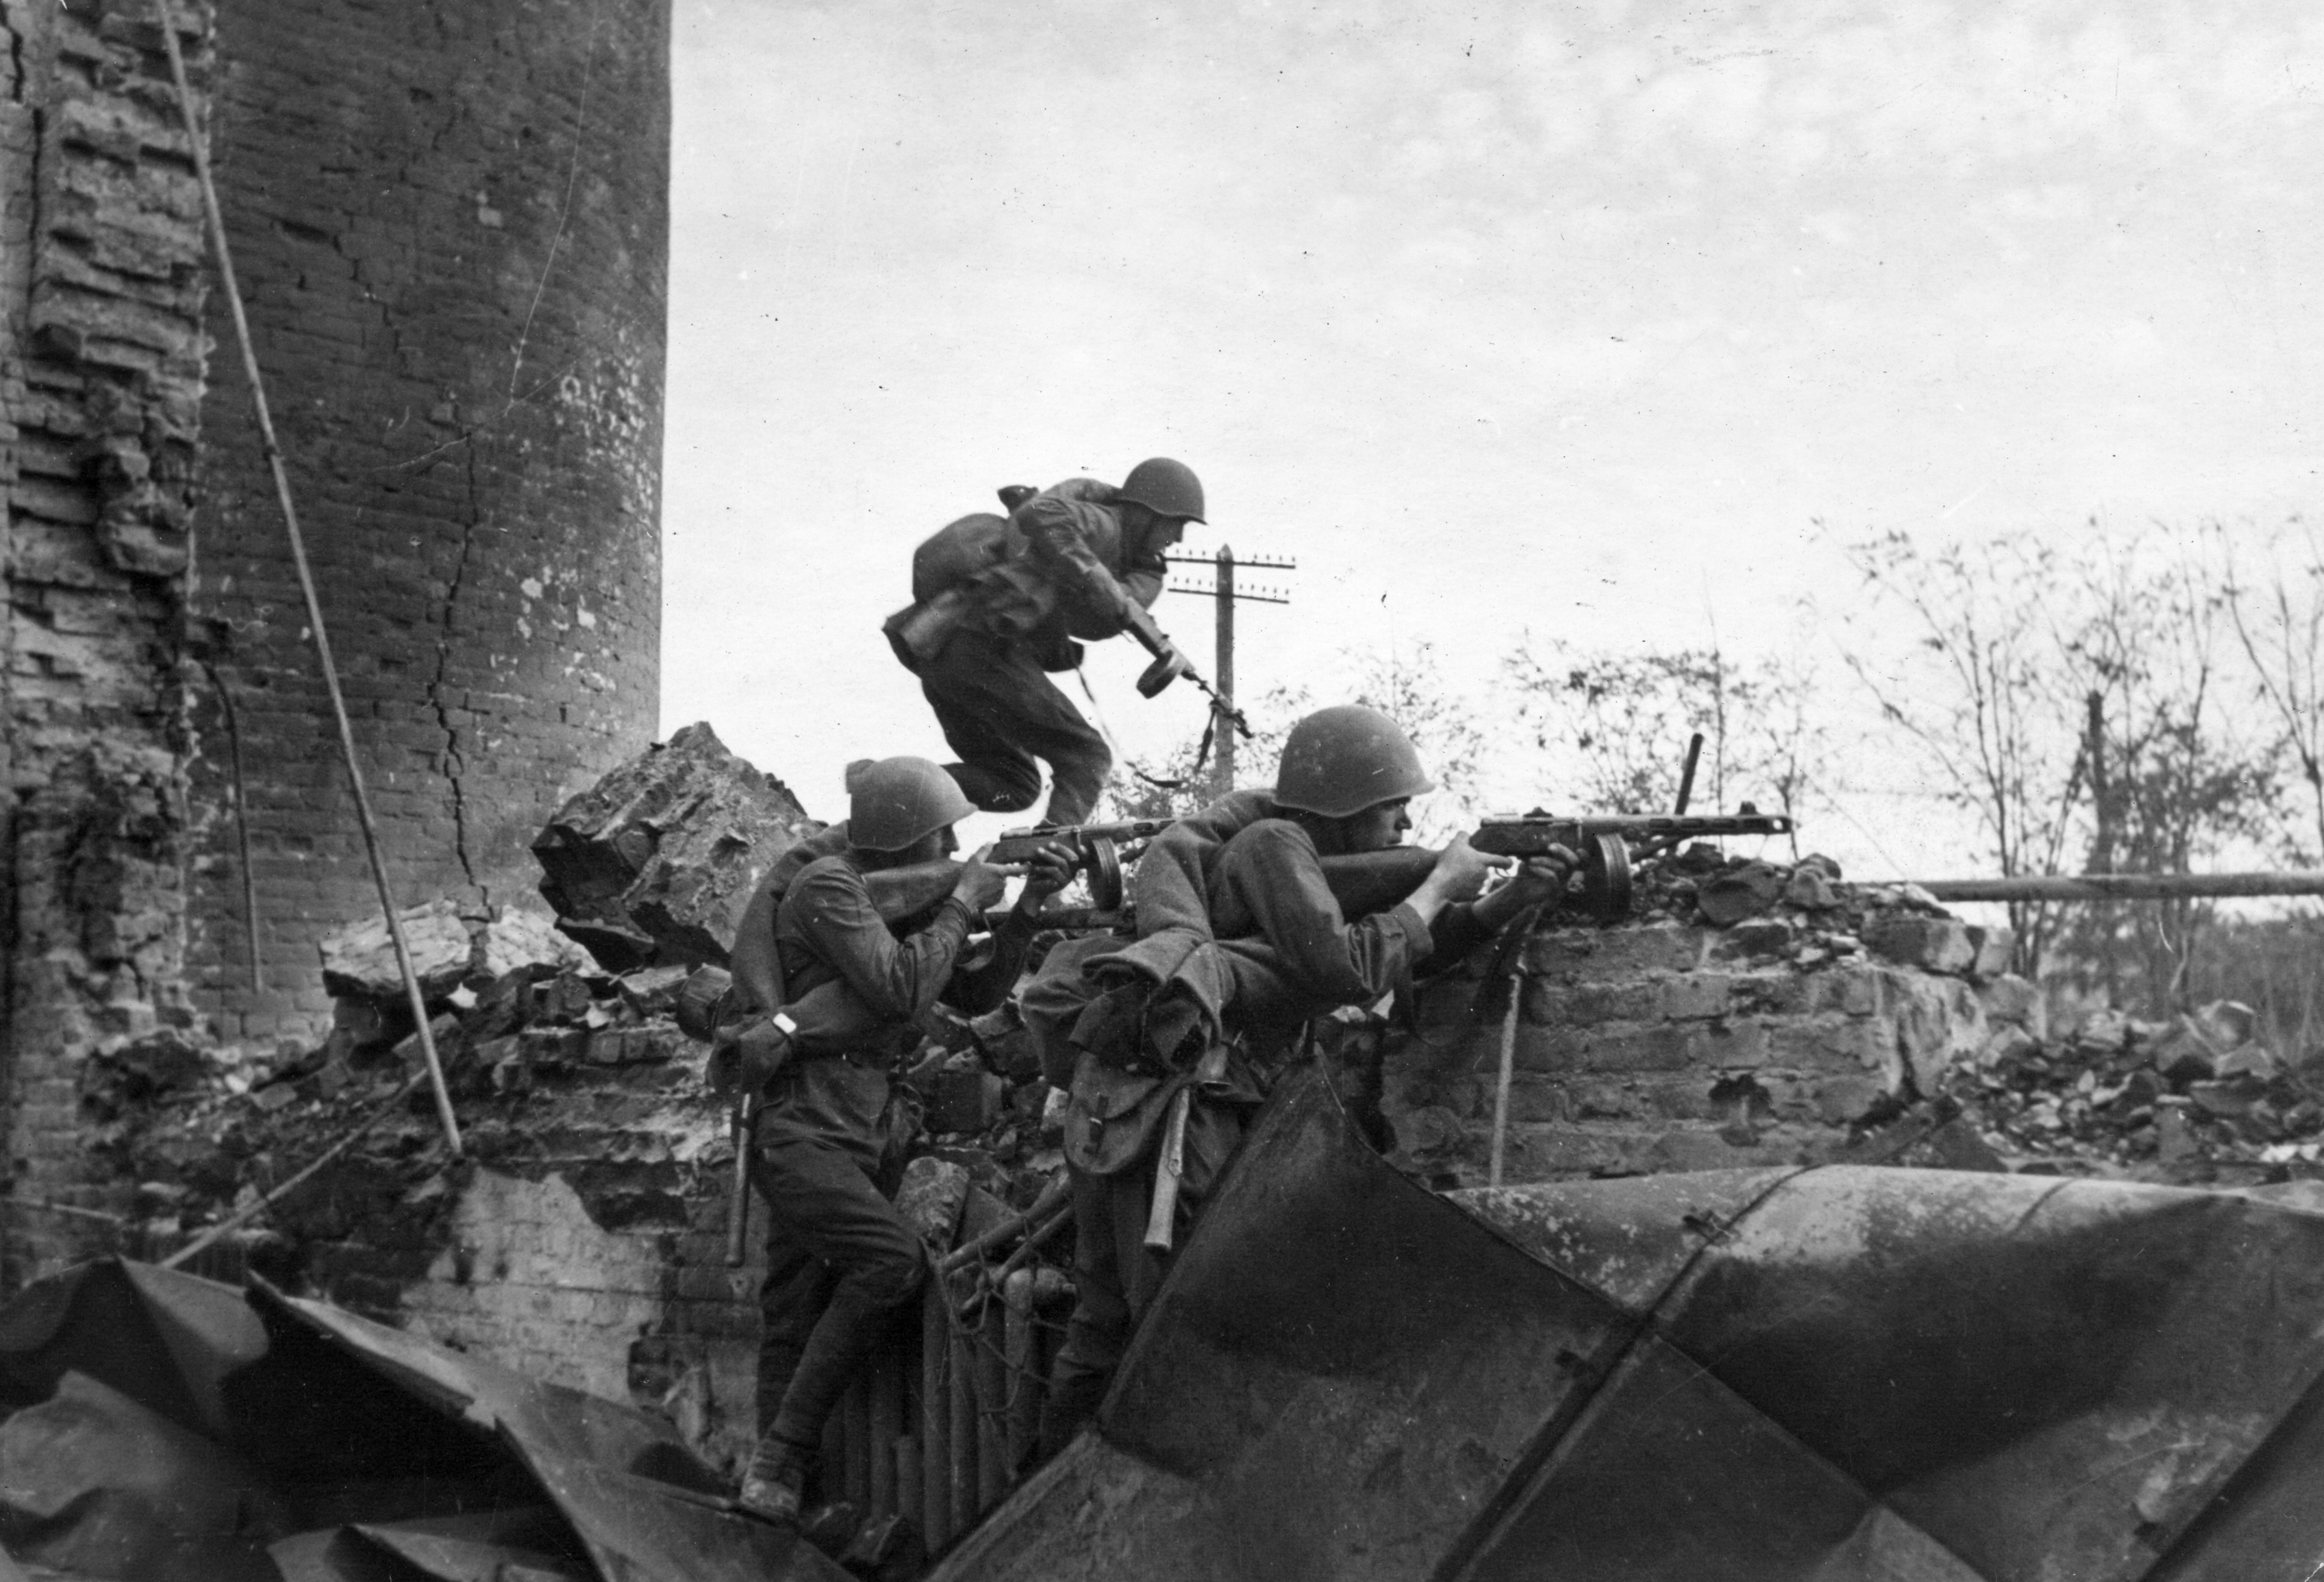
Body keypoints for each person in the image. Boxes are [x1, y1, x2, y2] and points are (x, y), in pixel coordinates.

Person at [1033, 704, 1574, 1450]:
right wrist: (1440, 883)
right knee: (1174, 1319)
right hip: (1178, 1116)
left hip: (1146, 1105)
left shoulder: (1299, 862)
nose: (1404, 824)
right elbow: (1347, 968)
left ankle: (1053, 1504)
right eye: (1392, 808)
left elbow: (1392, 950)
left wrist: (1505, 900)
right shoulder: (1273, 843)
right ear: (1345, 809)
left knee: (1112, 1323)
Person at [735, 756, 1073, 1525]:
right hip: (806, 1122)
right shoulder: (829, 886)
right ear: (906, 838)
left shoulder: (899, 899)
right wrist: (962, 902)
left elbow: (974, 989)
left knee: (796, 1302)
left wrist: (1027, 909)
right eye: (943, 834)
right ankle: (780, 1455)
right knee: (887, 1264)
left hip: (862, 1124)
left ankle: (779, 1492)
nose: (956, 845)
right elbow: (900, 987)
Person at [882, 459, 1207, 828]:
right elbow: (1042, 513)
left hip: (940, 650)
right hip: (978, 645)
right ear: (1148, 513)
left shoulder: (1129, 559)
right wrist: (1099, 580)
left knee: (1015, 783)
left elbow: (1102, 618)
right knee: (1088, 757)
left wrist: (1123, 607)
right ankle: (1048, 875)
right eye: (1175, 523)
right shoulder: (1107, 526)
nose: (1178, 538)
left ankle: (881, 787)